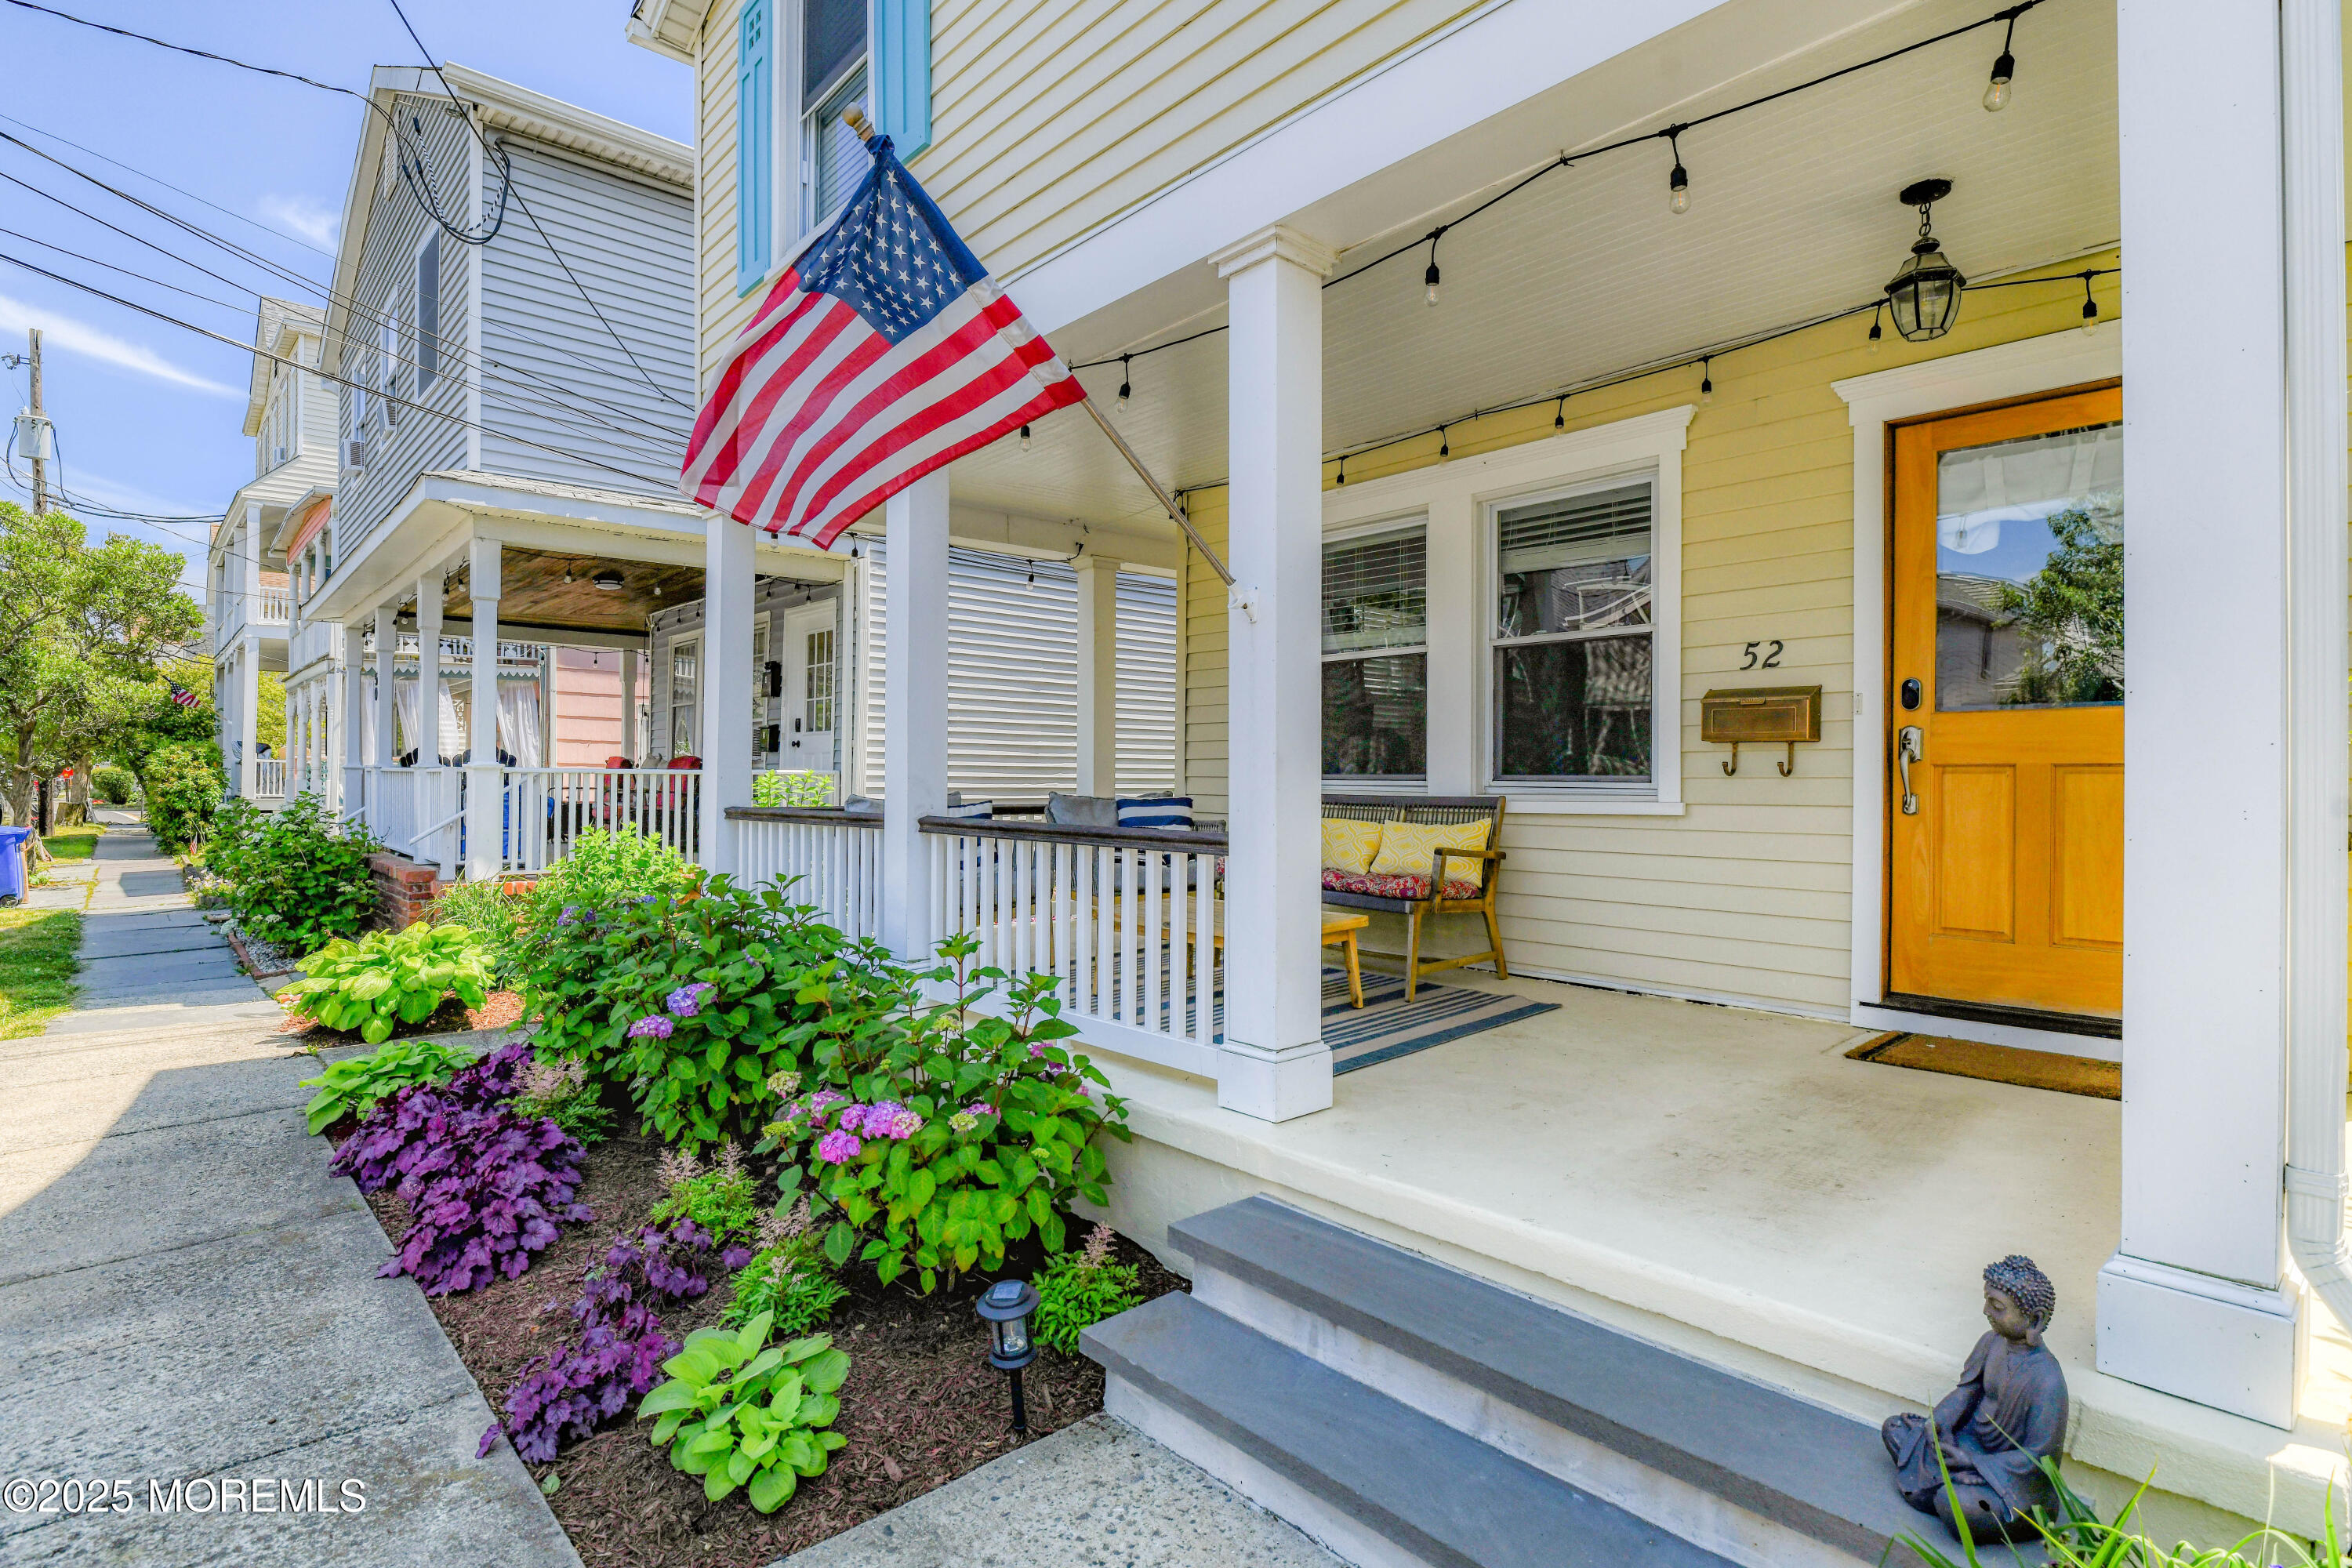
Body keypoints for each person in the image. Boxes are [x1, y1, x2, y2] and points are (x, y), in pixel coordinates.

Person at [1882, 1254, 2070, 1544]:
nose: (1986, 1311)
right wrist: (1938, 1423)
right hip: (1971, 1443)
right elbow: (1966, 1392)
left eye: (1997, 1307)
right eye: (1987, 1302)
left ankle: (1949, 1490)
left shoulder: (2047, 1379)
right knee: (1895, 1428)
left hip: (2010, 1477)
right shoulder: (1990, 1342)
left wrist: (1973, 1463)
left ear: (2035, 1319)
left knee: (1957, 1502)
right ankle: (1949, 1483)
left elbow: (2040, 1458)